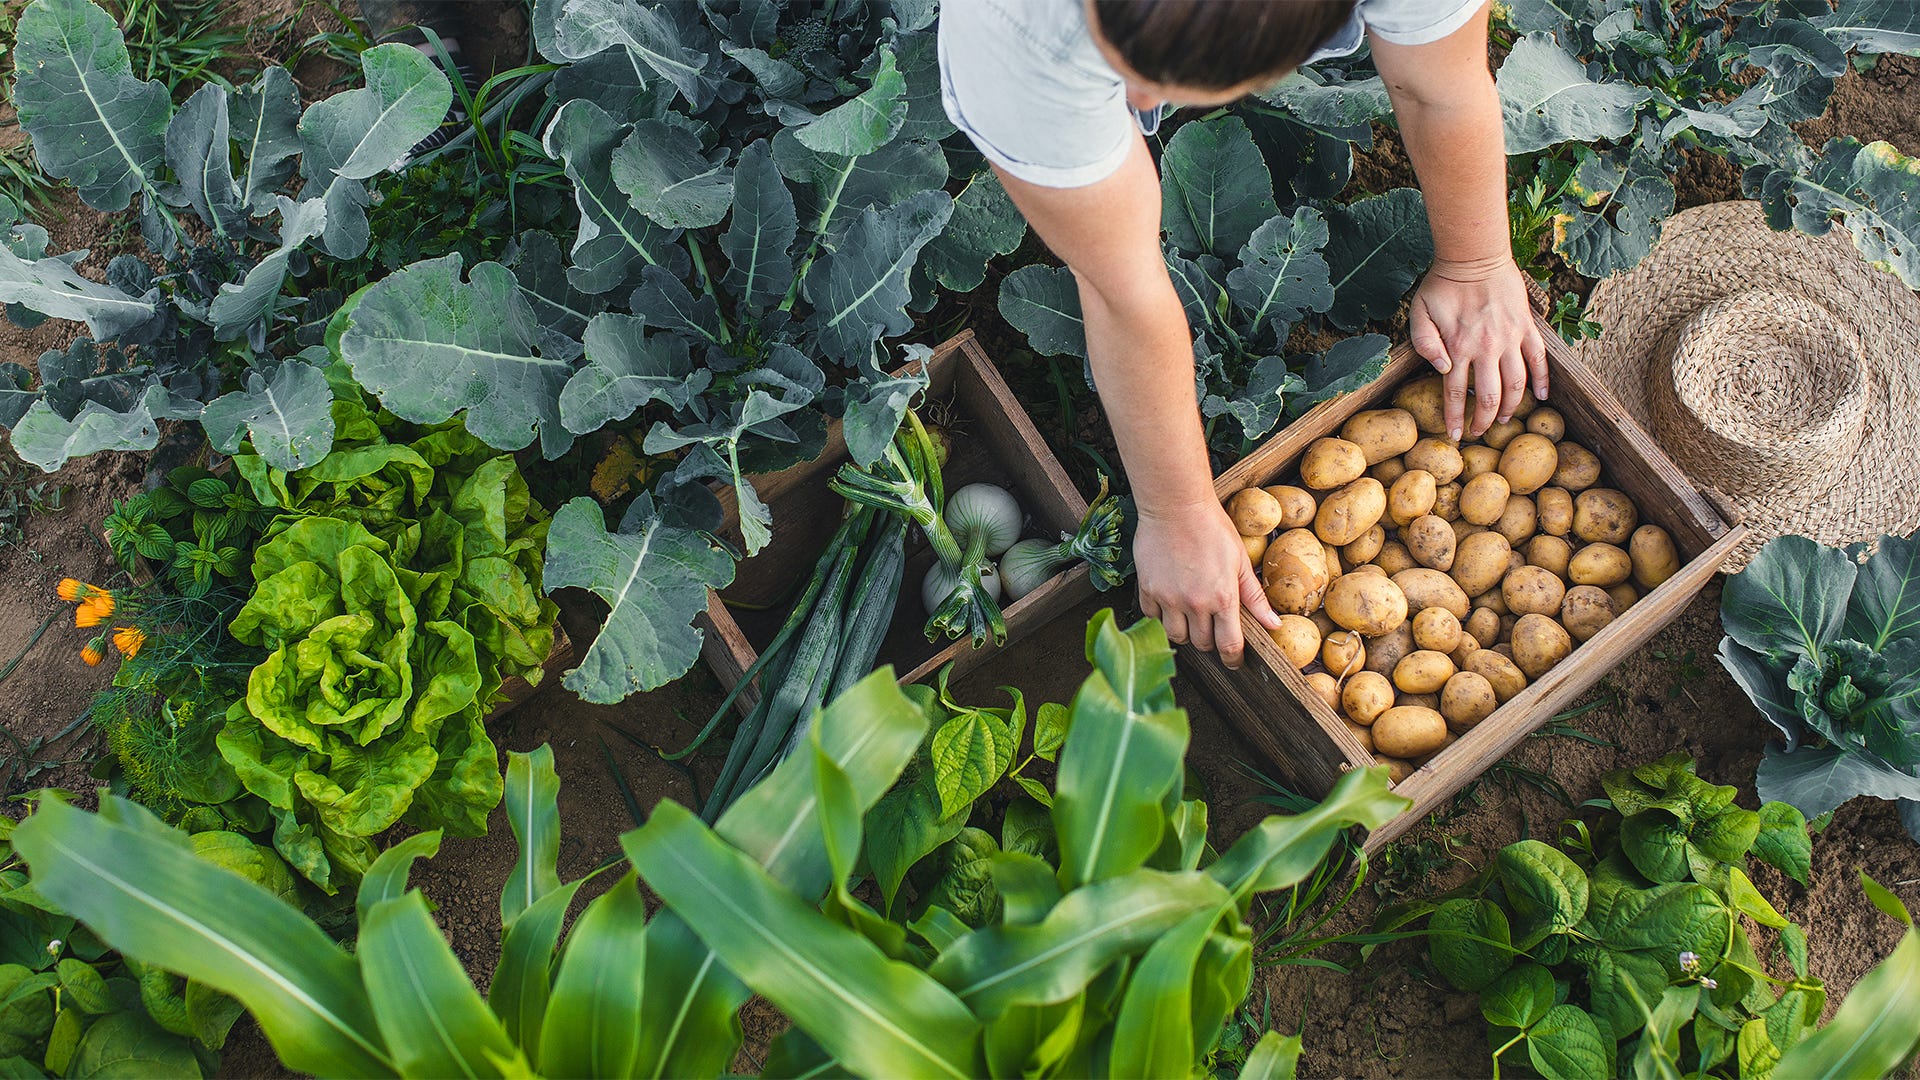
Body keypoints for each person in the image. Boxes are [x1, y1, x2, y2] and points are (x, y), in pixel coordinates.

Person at [939, 0, 1545, 670]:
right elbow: (1122, 294)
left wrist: (1476, 262)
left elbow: (1443, 88)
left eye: (1162, 82)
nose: (1136, 101)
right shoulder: (1013, 31)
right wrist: (1177, 511)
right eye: (1118, 60)